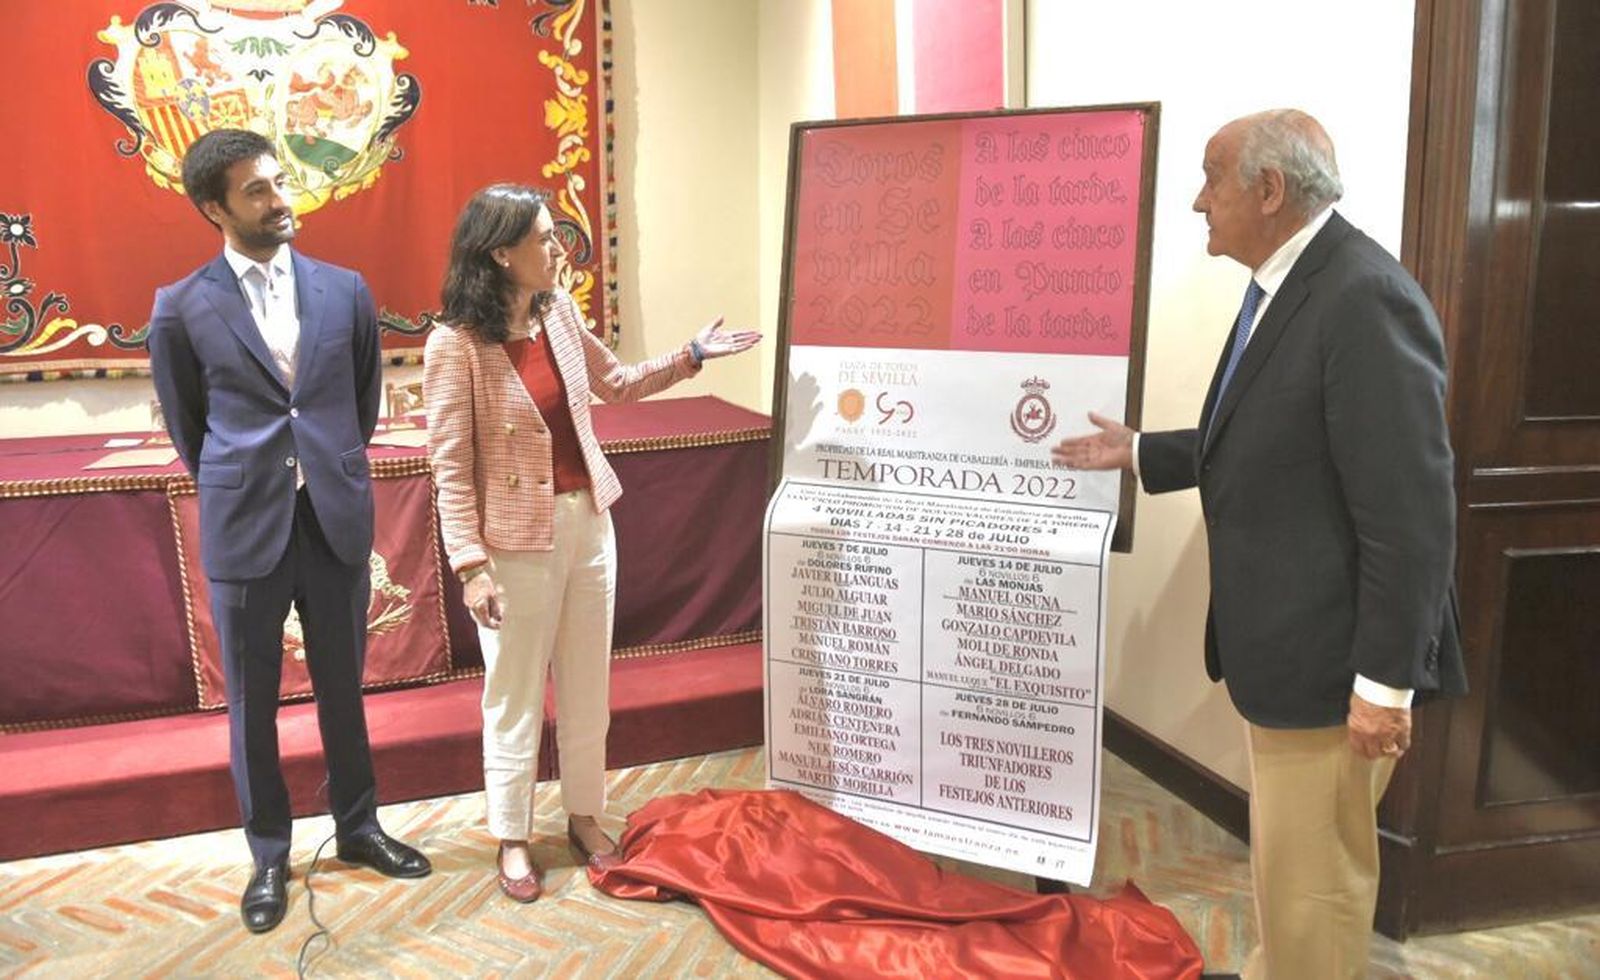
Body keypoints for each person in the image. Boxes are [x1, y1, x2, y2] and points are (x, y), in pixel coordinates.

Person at [1052, 110, 1465, 979]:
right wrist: (1136, 450)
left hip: (1333, 665)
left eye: (1213, 177)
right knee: (1289, 869)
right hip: (1282, 654)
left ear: (1270, 190)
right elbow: (1261, 437)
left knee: (1318, 884)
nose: (1199, 201)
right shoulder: (1286, 286)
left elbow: (1411, 513)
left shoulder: (1362, 298)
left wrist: (1384, 683)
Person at [423, 183, 760, 903]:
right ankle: (513, 834)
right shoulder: (456, 346)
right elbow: (449, 469)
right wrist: (471, 568)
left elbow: (620, 384)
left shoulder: (560, 314)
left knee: (587, 686)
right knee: (513, 694)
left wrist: (691, 354)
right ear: (500, 253)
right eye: (543, 239)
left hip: (588, 523)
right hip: (514, 544)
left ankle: (584, 813)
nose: (558, 250)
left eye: (557, 235)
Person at [147, 129, 432, 934]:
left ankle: (360, 826)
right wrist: (254, 473)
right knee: (251, 702)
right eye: (257, 191)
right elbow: (190, 428)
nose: (281, 201)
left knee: (347, 685)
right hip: (245, 527)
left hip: (333, 517)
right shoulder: (180, 306)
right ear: (214, 207)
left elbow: (361, 402)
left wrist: (321, 466)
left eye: (280, 183)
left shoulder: (345, 290)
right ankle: (268, 853)